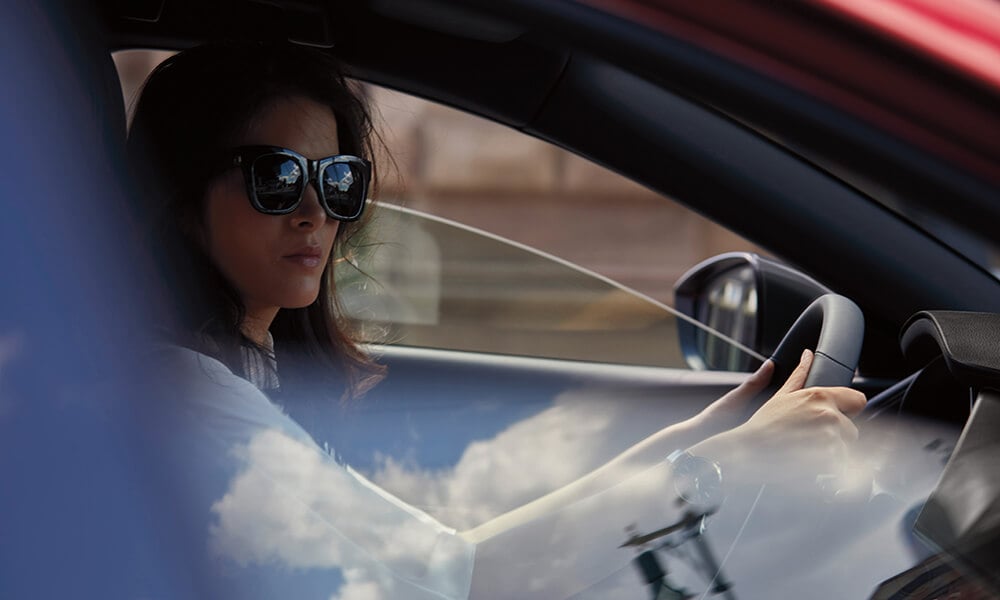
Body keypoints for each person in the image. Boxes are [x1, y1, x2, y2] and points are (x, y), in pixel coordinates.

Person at [127, 40, 868, 599]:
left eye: (338, 179)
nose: (317, 211)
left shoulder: (238, 369)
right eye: (279, 178)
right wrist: (725, 470)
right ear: (184, 197)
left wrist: (698, 437)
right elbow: (465, 577)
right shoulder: (184, 394)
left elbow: (444, 557)